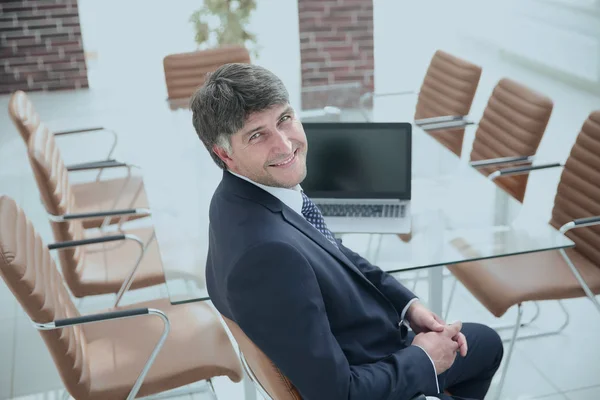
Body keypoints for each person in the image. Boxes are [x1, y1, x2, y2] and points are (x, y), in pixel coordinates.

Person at [190, 63, 504, 400]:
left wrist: (407, 305)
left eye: (284, 119)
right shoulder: (266, 257)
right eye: (257, 134)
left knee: (484, 343)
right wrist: (424, 358)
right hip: (371, 369)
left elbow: (333, 252)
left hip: (360, 335)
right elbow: (338, 394)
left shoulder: (244, 195)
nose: (285, 145)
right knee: (481, 348)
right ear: (225, 154)